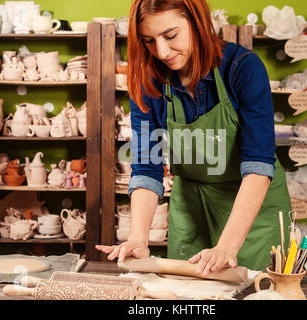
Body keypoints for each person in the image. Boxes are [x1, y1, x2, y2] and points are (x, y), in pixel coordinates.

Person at [96, 0, 291, 273]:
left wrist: (227, 245)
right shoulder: (147, 80)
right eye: (148, 40)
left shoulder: (243, 69)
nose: (161, 51)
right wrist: (138, 238)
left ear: (197, 21)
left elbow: (258, 165)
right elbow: (146, 165)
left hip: (251, 208)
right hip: (191, 206)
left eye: (171, 35)